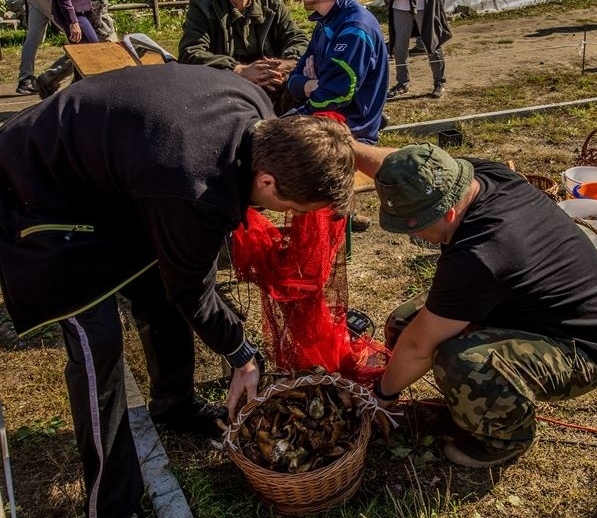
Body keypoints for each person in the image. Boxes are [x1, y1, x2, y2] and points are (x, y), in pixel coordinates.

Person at [0, 62, 356, 517]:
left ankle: (174, 404)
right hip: (36, 187)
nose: (285, 217)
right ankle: (112, 503)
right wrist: (242, 355)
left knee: (155, 288)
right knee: (98, 348)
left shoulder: (258, 114)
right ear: (266, 181)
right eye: (290, 207)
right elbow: (193, 291)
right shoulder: (195, 186)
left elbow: (177, 281)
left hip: (115, 176)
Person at [352, 142, 597, 468]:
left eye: (418, 228)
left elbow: (418, 347)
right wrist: (348, 147)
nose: (419, 239)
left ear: (448, 212)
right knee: (403, 324)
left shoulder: (479, 255)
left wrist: (381, 397)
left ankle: (506, 438)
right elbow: (404, 167)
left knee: (459, 361)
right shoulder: (477, 175)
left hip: (580, 347)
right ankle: (484, 394)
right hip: (527, 304)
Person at [178, 0, 309, 113]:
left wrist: (278, 65)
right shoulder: (202, 8)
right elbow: (190, 53)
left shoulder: (271, 4)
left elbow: (298, 39)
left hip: (273, 83)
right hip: (228, 90)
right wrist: (238, 70)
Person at [287, 0, 389, 145]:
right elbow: (294, 79)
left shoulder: (354, 31)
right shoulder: (327, 21)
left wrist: (311, 90)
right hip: (326, 126)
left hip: (348, 138)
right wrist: (309, 85)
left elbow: (328, 100)